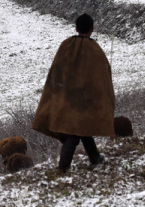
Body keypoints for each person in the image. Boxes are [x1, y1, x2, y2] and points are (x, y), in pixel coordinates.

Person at [32, 13, 115, 171]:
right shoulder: (95, 50)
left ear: (76, 28)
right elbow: (101, 77)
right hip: (84, 100)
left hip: (66, 98)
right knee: (75, 131)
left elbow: (56, 71)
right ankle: (63, 167)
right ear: (92, 29)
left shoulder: (66, 45)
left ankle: (95, 158)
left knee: (79, 128)